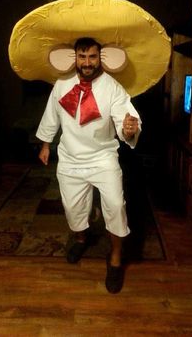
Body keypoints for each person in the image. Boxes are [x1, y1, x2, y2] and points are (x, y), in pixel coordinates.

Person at [36, 37, 141, 294]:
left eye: (92, 57)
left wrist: (129, 128)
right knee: (73, 209)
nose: (87, 63)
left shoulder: (113, 87)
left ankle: (115, 258)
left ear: (100, 58)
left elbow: (125, 119)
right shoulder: (61, 85)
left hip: (103, 157)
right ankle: (82, 238)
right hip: (70, 158)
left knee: (116, 206)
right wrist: (45, 144)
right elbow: (51, 116)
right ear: (75, 58)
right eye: (82, 57)